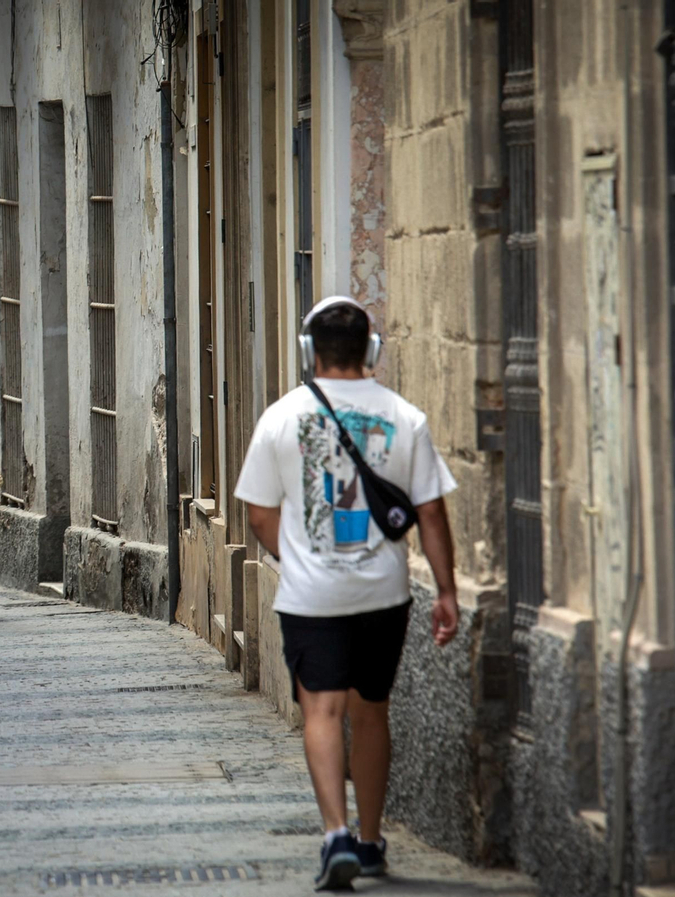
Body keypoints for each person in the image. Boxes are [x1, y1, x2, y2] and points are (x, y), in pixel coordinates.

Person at [232, 296, 459, 891]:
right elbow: (431, 512)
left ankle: (334, 834)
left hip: (311, 599)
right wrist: (447, 592)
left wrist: (303, 559)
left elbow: (259, 513)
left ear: (309, 351)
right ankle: (370, 837)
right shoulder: (405, 417)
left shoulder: (281, 417)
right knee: (371, 710)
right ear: (371, 350)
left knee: (322, 710)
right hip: (384, 593)